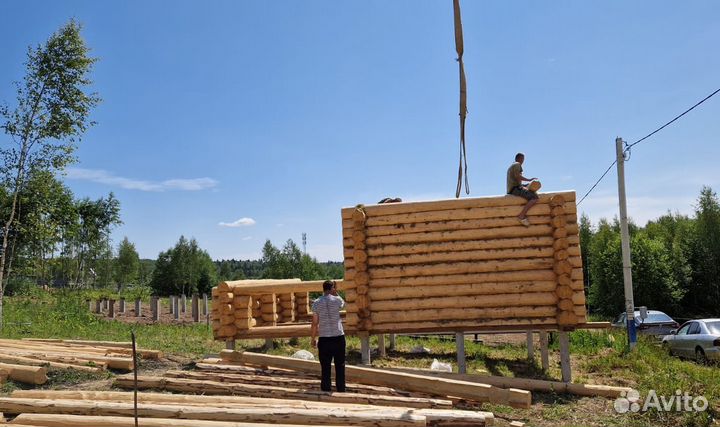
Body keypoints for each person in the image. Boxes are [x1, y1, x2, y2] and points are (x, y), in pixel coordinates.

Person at [311, 280, 346, 392]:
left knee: (325, 366)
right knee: (340, 365)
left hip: (324, 338)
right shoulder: (337, 300)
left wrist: (313, 338)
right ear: (332, 289)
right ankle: (341, 388)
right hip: (338, 337)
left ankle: (326, 389)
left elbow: (315, 323)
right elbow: (343, 303)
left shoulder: (316, 303)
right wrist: (336, 293)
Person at [507, 152, 539, 226]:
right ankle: (521, 215)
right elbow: (518, 176)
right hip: (515, 188)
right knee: (535, 197)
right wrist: (529, 180)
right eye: (523, 158)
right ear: (519, 158)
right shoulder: (517, 164)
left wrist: (526, 185)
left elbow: (516, 178)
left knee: (530, 186)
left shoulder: (512, 165)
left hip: (514, 187)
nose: (523, 160)